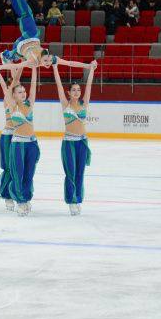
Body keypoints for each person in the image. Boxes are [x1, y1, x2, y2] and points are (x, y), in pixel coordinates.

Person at [53, 60, 98, 215]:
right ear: (69, 93)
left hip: (82, 142)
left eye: (79, 90)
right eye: (74, 90)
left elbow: (90, 86)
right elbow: (58, 85)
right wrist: (55, 67)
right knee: (70, 172)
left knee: (80, 173)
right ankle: (71, 201)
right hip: (69, 143)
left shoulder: (84, 104)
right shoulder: (66, 105)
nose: (77, 92)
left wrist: (92, 69)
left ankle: (78, 198)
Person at [2, 62, 38, 216]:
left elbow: (34, 85)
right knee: (18, 173)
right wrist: (1, 69)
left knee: (29, 174)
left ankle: (26, 197)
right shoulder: (11, 105)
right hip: (17, 144)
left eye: (24, 91)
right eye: (19, 92)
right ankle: (20, 201)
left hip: (32, 143)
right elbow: (9, 89)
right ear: (14, 95)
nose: (23, 94)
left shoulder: (30, 104)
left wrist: (34, 68)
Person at [0, 62, 21, 211]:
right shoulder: (8, 99)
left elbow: (17, 79)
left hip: (19, 137)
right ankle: (7, 195)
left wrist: (22, 63)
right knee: (9, 167)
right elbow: (11, 81)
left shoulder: (23, 101)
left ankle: (16, 193)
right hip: (8, 136)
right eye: (15, 86)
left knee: (17, 167)